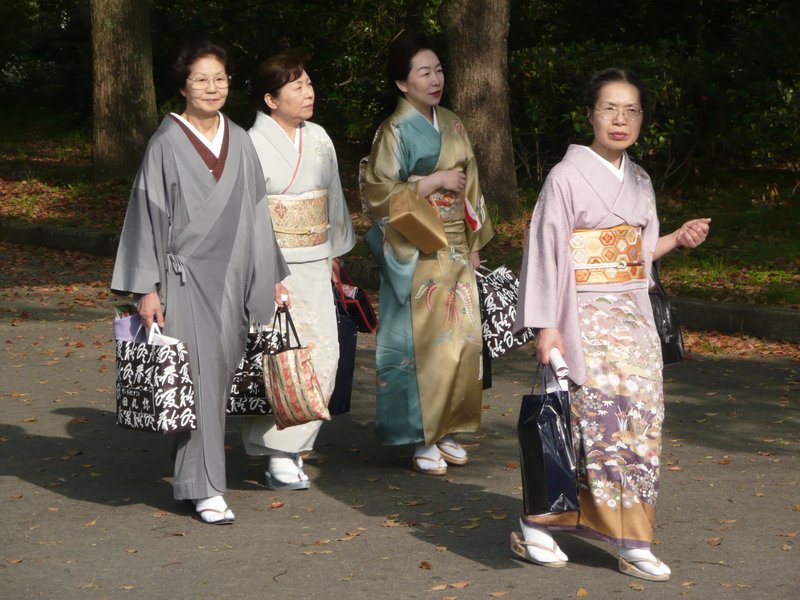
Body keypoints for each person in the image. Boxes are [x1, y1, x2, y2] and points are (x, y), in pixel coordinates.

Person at [514, 68, 710, 580]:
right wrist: (545, 327)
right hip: (581, 317)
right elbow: (545, 252)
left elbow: (639, 255)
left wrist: (676, 241)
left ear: (642, 118)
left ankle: (633, 537)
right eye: (609, 108)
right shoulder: (565, 176)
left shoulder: (640, 179)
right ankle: (539, 522)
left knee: (640, 426)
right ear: (590, 115)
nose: (620, 120)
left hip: (634, 321)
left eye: (631, 110)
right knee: (588, 427)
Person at [111, 38, 289, 524]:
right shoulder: (165, 143)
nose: (212, 88)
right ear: (184, 86)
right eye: (201, 80)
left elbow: (258, 212)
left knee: (217, 375)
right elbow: (146, 216)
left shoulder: (241, 139)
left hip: (233, 275)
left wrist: (270, 275)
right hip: (182, 277)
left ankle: (192, 474)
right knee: (202, 378)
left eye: (220, 79)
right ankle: (208, 487)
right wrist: (145, 287)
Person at [364, 32, 494, 476]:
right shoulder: (393, 131)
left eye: (438, 70)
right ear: (403, 84)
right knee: (419, 346)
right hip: (416, 247)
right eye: (424, 72)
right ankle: (419, 435)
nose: (435, 79)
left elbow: (471, 183)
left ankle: (447, 427)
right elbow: (378, 194)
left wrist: (474, 244)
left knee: (458, 340)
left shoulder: (454, 122)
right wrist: (432, 181)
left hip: (456, 245)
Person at [243, 52, 356, 490]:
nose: (308, 93)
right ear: (271, 99)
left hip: (315, 257)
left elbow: (333, 199)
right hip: (275, 265)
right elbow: (250, 213)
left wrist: (334, 254)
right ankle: (278, 454)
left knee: (323, 357)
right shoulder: (251, 144)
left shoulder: (321, 137)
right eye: (297, 87)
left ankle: (291, 447)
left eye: (309, 84)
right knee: (281, 359)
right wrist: (262, 270)